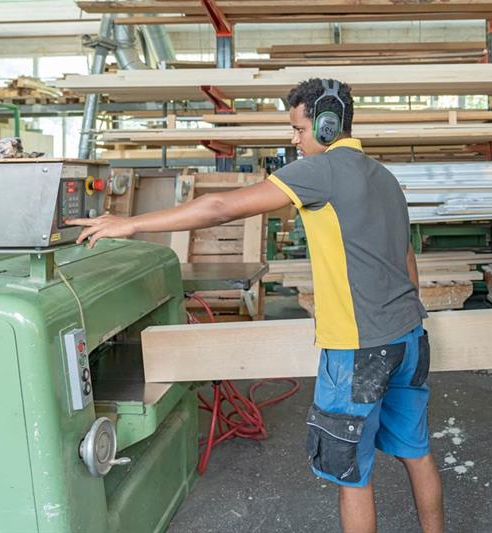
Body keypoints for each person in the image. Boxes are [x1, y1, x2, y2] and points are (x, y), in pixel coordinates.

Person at [70, 78, 444, 533]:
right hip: (409, 338)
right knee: (416, 451)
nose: (293, 139)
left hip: (358, 350)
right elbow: (406, 258)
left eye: (298, 129)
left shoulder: (321, 170)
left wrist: (131, 224)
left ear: (327, 127)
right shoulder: (384, 177)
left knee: (351, 475)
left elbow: (221, 207)